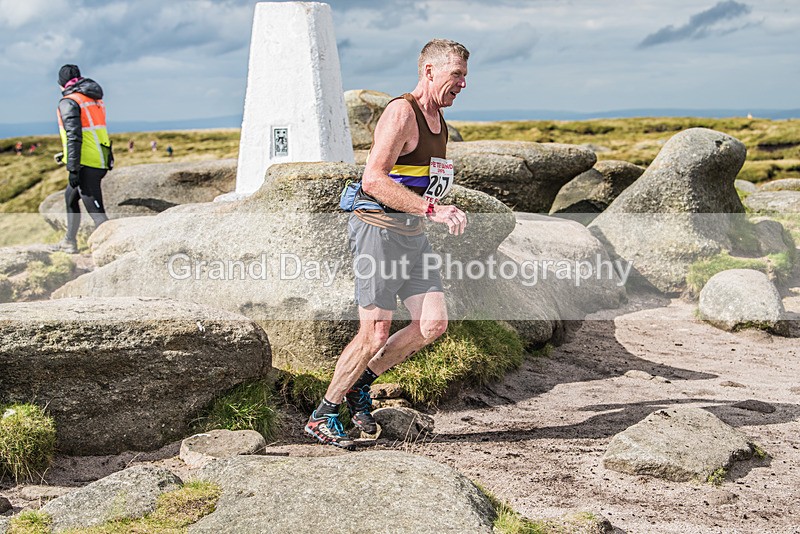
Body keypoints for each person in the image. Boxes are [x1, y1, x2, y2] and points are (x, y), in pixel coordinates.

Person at [305, 39, 469, 449]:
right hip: (378, 231)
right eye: (456, 75)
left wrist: (436, 207)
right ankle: (323, 413)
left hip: (411, 235)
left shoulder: (439, 119)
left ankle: (361, 382)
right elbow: (373, 180)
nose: (463, 84)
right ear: (429, 71)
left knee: (432, 324)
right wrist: (434, 210)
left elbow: (419, 179)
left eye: (465, 76)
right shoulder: (402, 113)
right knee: (375, 331)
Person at [54, 64, 112, 254]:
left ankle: (110, 249)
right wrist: (65, 155)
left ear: (61, 84)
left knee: (97, 214)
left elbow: (74, 136)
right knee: (70, 197)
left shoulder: (69, 102)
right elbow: (91, 133)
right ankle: (69, 241)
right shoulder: (92, 98)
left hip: (86, 163)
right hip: (99, 157)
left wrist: (72, 168)